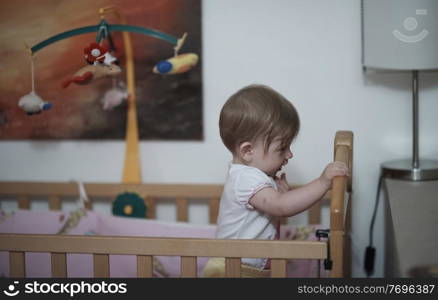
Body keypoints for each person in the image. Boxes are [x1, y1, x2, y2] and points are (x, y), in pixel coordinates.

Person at [202, 84, 349, 277]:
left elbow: (272, 208)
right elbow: (281, 207)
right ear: (248, 151)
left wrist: (281, 194)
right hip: (232, 270)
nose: (289, 154)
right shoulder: (245, 178)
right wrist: (322, 183)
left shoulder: (255, 176)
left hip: (247, 268)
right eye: (282, 148)